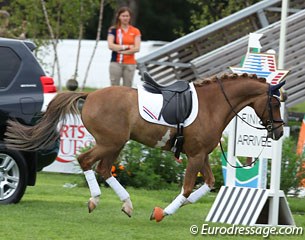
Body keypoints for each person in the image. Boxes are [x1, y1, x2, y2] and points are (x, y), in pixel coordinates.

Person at [107, 6, 141, 87]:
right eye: (123, 16)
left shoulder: (135, 31)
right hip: (116, 62)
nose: (125, 18)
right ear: (119, 17)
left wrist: (122, 52)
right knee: (114, 88)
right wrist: (127, 46)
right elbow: (110, 45)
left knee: (127, 88)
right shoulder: (113, 30)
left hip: (130, 63)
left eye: (127, 16)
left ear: (130, 17)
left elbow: (137, 48)